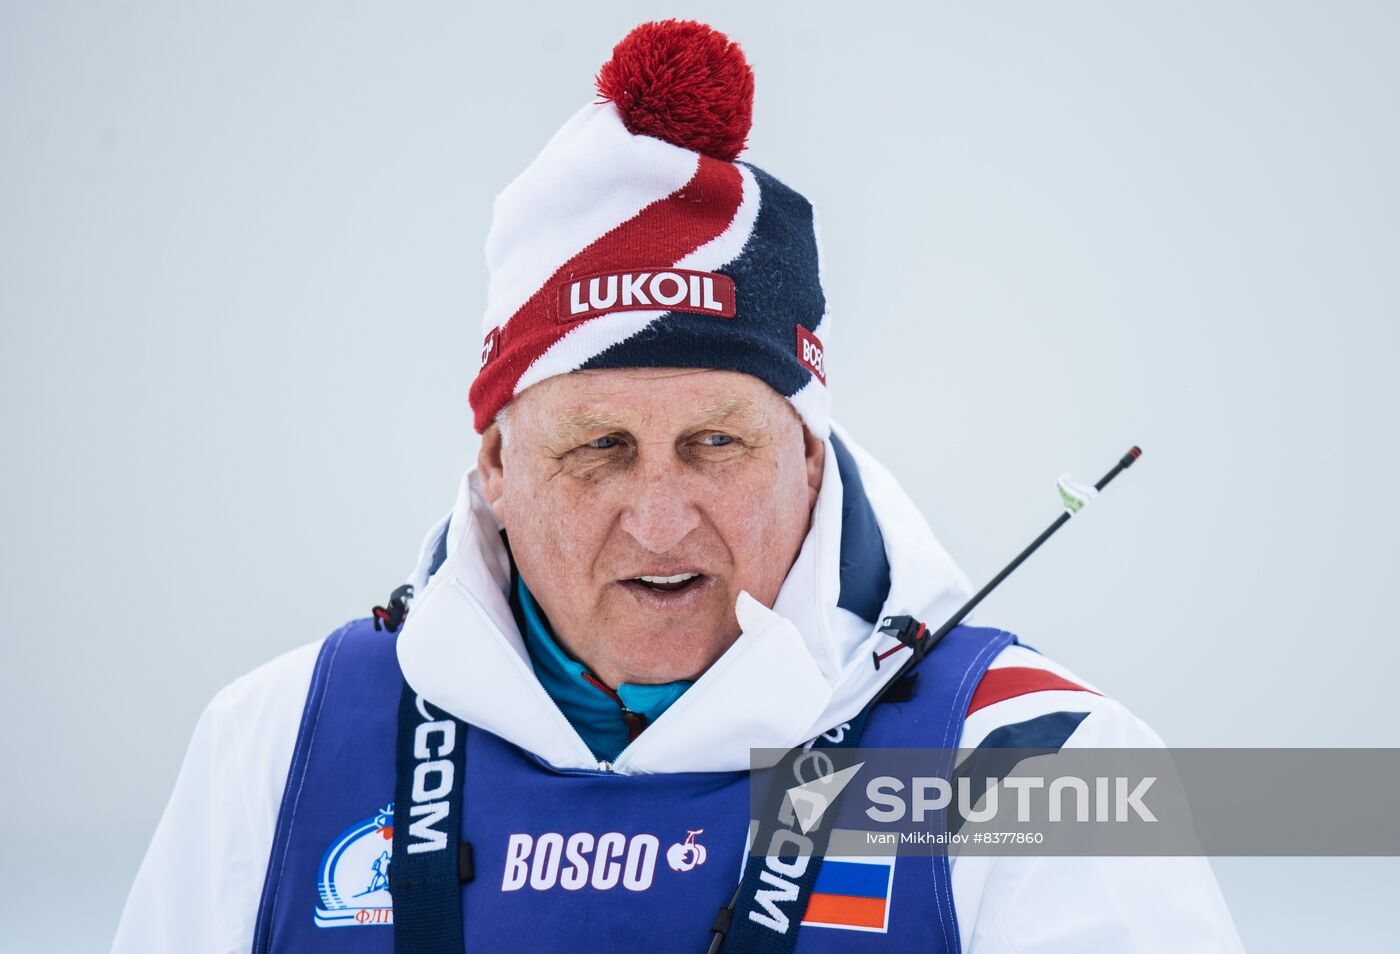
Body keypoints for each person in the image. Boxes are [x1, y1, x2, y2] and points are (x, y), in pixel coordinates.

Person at [112, 19, 1244, 954]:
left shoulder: (1031, 767)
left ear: (808, 451)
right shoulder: (281, 746)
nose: (659, 522)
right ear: (495, 467)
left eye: (714, 444)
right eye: (597, 447)